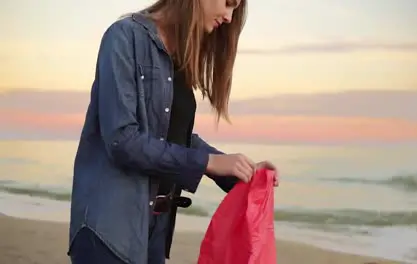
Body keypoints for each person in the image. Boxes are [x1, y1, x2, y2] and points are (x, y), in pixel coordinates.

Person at [67, 0, 279, 264]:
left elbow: (172, 135)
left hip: (156, 230)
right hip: (110, 230)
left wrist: (239, 170)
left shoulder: (178, 56)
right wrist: (208, 163)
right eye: (229, 3)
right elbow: (123, 140)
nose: (228, 17)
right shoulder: (123, 36)